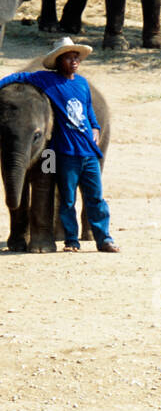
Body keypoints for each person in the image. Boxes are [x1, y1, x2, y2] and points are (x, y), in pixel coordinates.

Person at [0, 37, 119, 253]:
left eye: (76, 57)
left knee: (89, 194)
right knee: (65, 196)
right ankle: (28, 234)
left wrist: (95, 127)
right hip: (55, 147)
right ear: (57, 61)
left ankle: (95, 233)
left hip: (85, 149)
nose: (74, 61)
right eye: (68, 57)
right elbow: (18, 77)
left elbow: (89, 108)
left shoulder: (82, 84)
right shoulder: (44, 81)